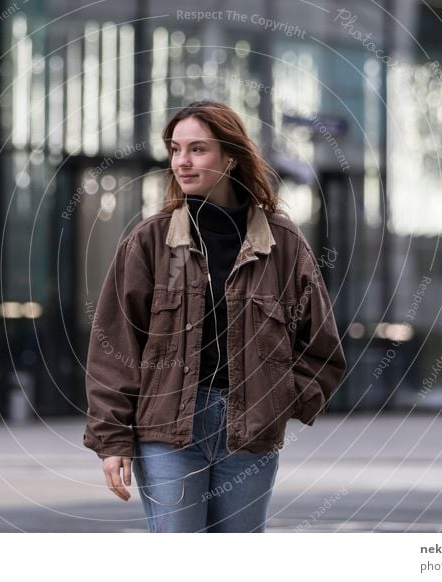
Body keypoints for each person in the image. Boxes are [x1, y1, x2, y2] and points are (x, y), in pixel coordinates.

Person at [83, 100, 346, 532]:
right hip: (168, 431)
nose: (181, 162)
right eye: (175, 149)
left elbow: (321, 346)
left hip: (249, 435)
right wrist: (112, 440)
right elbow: (114, 348)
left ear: (231, 157)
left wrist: (277, 400)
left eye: (197, 149)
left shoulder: (283, 243)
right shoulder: (149, 242)